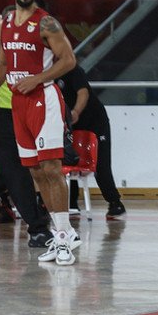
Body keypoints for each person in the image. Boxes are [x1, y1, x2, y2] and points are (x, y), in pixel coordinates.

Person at [0, 0, 78, 264]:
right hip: (18, 102)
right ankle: (59, 233)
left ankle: (64, 236)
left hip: (44, 99)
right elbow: (2, 62)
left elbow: (69, 60)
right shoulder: (6, 23)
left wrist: (38, 78)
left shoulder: (46, 21)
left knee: (51, 168)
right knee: (36, 172)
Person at [0, 9, 50, 248]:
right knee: (15, 170)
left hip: (20, 110)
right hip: (1, 112)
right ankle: (37, 228)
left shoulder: (23, 49)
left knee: (5, 173)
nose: (2, 28)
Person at [58, 63, 125, 220]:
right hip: (69, 121)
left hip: (94, 120)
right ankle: (71, 202)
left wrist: (76, 112)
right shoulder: (45, 73)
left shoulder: (71, 68)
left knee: (101, 163)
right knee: (69, 159)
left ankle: (114, 202)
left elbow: (83, 93)